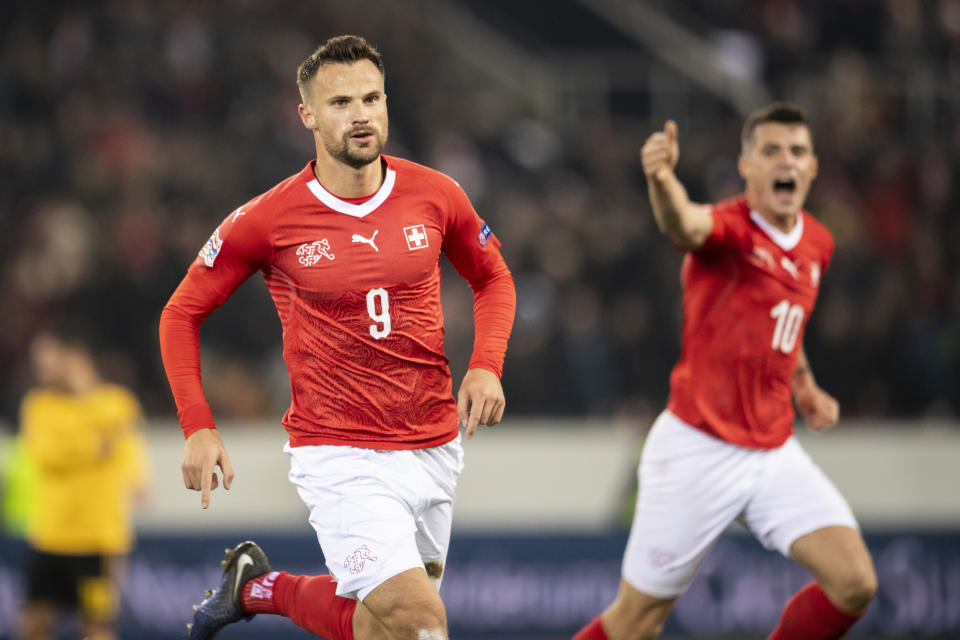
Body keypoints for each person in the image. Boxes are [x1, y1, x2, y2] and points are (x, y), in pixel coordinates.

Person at [158, 35, 515, 640]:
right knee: (422, 623)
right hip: (341, 453)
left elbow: (493, 277)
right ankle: (258, 587)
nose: (361, 115)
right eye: (341, 102)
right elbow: (180, 314)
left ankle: (255, 587)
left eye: (372, 98)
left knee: (382, 630)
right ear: (307, 115)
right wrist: (198, 425)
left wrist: (487, 364)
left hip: (433, 444)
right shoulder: (268, 219)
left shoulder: (436, 194)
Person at [573, 103, 878, 640]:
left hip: (772, 450)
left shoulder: (817, 244)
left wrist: (803, 385)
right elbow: (683, 223)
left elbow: (785, 324)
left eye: (798, 152)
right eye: (772, 151)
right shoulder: (729, 230)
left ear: (812, 168)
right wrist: (662, 181)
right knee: (635, 624)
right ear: (747, 166)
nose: (786, 161)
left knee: (854, 582)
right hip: (698, 446)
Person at [18, 326, 149, 640]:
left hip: (99, 539)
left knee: (96, 626)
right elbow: (47, 454)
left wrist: (137, 477)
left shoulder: (116, 401)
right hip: (51, 536)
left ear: (73, 357)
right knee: (33, 623)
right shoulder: (38, 405)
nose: (42, 366)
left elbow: (127, 444)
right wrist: (92, 445)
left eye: (47, 357)